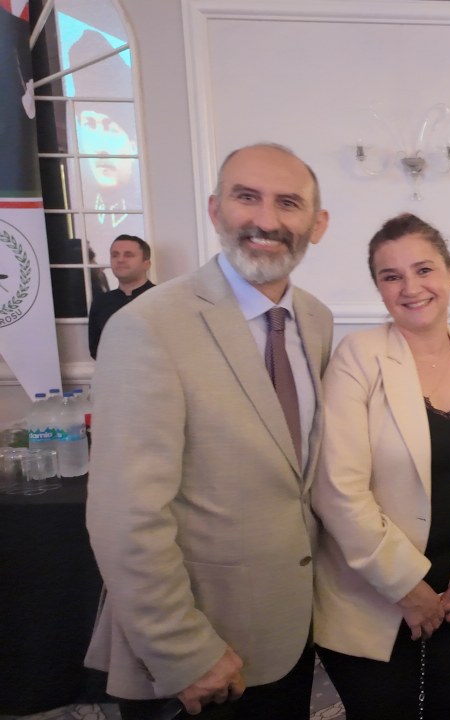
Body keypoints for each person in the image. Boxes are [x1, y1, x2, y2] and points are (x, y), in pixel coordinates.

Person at [85, 143, 332, 719]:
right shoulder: (147, 326)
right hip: (199, 649)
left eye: (288, 203)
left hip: (289, 628)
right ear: (215, 209)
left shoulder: (316, 320)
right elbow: (125, 515)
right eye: (247, 197)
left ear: (317, 225)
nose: (266, 220)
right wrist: (183, 650)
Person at [310, 213, 450, 720]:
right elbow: (338, 490)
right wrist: (406, 586)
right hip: (374, 602)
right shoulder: (358, 358)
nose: (411, 287)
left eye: (424, 270)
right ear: (379, 288)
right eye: (391, 276)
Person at [87, 234, 155, 358]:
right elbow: (95, 350)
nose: (120, 260)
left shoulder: (161, 298)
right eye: (115, 255)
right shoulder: (101, 302)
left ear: (146, 264)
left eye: (128, 255)